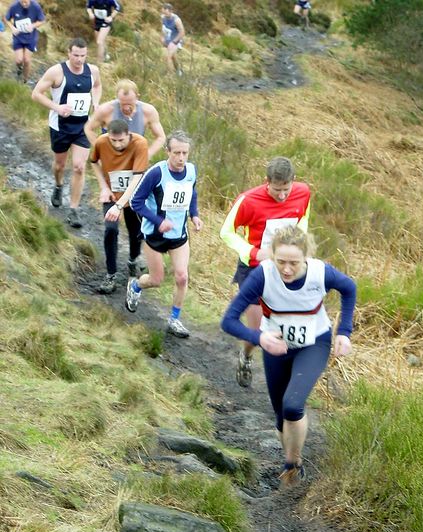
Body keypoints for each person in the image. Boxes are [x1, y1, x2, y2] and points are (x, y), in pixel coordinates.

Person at [221, 226, 356, 485]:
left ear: (306, 257)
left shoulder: (320, 272)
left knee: (293, 405)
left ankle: (293, 465)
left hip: (314, 343)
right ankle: (290, 463)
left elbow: (349, 288)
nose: (286, 269)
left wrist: (344, 332)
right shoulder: (263, 275)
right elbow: (228, 321)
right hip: (276, 347)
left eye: (294, 263)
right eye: (280, 261)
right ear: (272, 256)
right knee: (281, 415)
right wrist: (259, 338)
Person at [220, 156, 311, 388]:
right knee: (256, 327)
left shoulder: (303, 193)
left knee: (286, 323)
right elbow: (226, 232)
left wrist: (299, 251)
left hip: (285, 269)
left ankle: (287, 375)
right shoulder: (248, 200)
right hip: (253, 268)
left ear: (294, 182)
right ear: (266, 182)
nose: (282, 196)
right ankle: (247, 355)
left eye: (286, 190)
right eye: (277, 190)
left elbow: (302, 220)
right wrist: (251, 251)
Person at [127, 130, 203, 338]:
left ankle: (174, 320)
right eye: (176, 153)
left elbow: (192, 193)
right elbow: (136, 202)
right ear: (167, 151)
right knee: (156, 279)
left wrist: (194, 215)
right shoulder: (156, 173)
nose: (180, 158)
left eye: (185, 153)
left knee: (181, 276)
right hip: (155, 236)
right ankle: (135, 285)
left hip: (179, 235)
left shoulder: (191, 171)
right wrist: (159, 221)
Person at [32, 37, 102, 229]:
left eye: (83, 56)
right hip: (60, 126)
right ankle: (58, 185)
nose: (79, 60)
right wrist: (57, 107)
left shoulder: (92, 71)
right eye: (76, 55)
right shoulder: (56, 71)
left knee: (79, 166)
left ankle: (73, 209)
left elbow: (97, 86)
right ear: (68, 53)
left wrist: (96, 103)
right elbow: (36, 93)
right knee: (60, 165)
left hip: (82, 127)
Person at [88, 119, 149, 294]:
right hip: (111, 194)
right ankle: (110, 274)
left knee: (135, 231)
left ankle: (132, 260)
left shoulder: (140, 144)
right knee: (110, 229)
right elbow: (94, 162)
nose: (117, 144)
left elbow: (137, 178)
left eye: (121, 140)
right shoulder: (101, 141)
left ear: (128, 135)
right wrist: (104, 187)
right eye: (113, 140)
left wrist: (120, 205)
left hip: (134, 194)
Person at [84, 79, 166, 160]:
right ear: (117, 98)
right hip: (111, 158)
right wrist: (100, 149)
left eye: (130, 104)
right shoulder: (106, 110)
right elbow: (88, 128)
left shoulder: (148, 111)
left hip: (135, 157)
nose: (126, 108)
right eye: (123, 104)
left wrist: (148, 154)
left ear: (137, 97)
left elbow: (161, 137)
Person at [5, 0, 45, 83]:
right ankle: (19, 69)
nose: (24, 4)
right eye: (22, 2)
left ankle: (25, 80)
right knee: (19, 60)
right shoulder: (14, 6)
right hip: (18, 37)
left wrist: (33, 26)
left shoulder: (36, 6)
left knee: (27, 60)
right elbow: (6, 19)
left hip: (31, 38)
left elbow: (42, 20)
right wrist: (12, 28)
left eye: (26, 2)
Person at [161, 3, 185, 75]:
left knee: (168, 57)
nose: (165, 14)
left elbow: (182, 32)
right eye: (163, 12)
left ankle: (170, 75)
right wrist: (162, 38)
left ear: (171, 11)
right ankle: (179, 71)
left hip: (177, 40)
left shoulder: (176, 20)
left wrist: (174, 42)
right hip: (168, 39)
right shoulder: (163, 18)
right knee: (174, 57)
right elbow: (163, 29)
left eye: (166, 12)